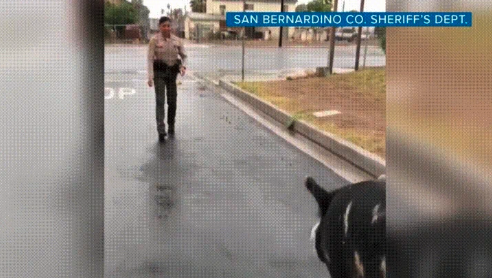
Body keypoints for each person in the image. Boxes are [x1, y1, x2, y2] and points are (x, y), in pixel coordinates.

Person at [147, 16, 187, 142]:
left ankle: (171, 124)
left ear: (171, 27)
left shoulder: (177, 40)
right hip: (159, 73)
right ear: (160, 27)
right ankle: (161, 129)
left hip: (172, 74)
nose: (166, 28)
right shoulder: (154, 40)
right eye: (164, 26)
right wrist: (150, 76)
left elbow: (184, 56)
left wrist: (183, 66)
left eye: (168, 26)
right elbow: (149, 59)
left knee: (172, 101)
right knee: (160, 101)